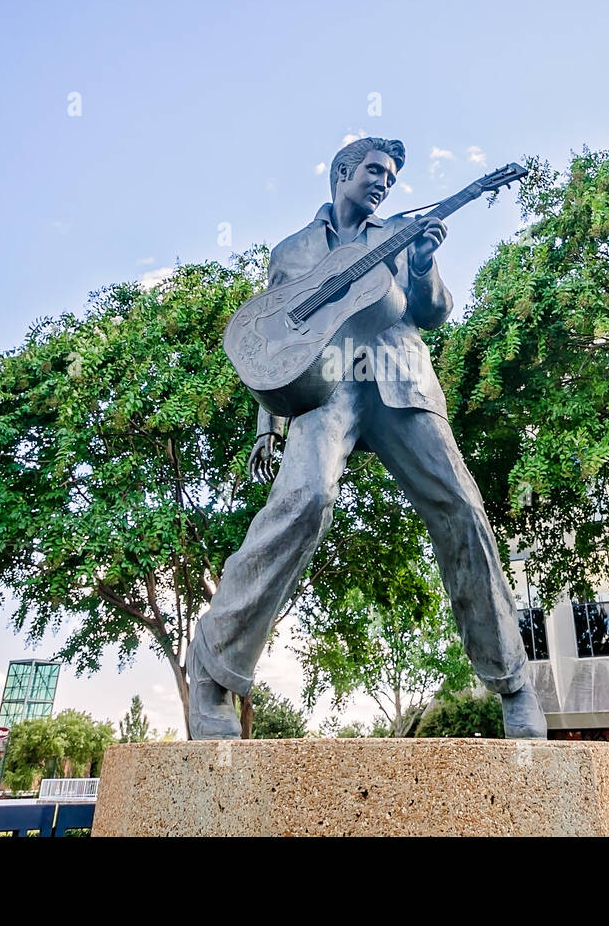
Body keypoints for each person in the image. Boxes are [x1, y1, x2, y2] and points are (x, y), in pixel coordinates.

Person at [187, 137, 546, 739]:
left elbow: (433, 313)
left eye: (392, 176)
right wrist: (269, 423)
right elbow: (272, 345)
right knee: (303, 502)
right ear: (342, 174)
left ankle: (513, 683)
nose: (384, 182)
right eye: (375, 171)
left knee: (460, 506)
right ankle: (214, 672)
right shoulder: (293, 251)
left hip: (402, 379)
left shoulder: (400, 234)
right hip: (327, 388)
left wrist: (426, 263)